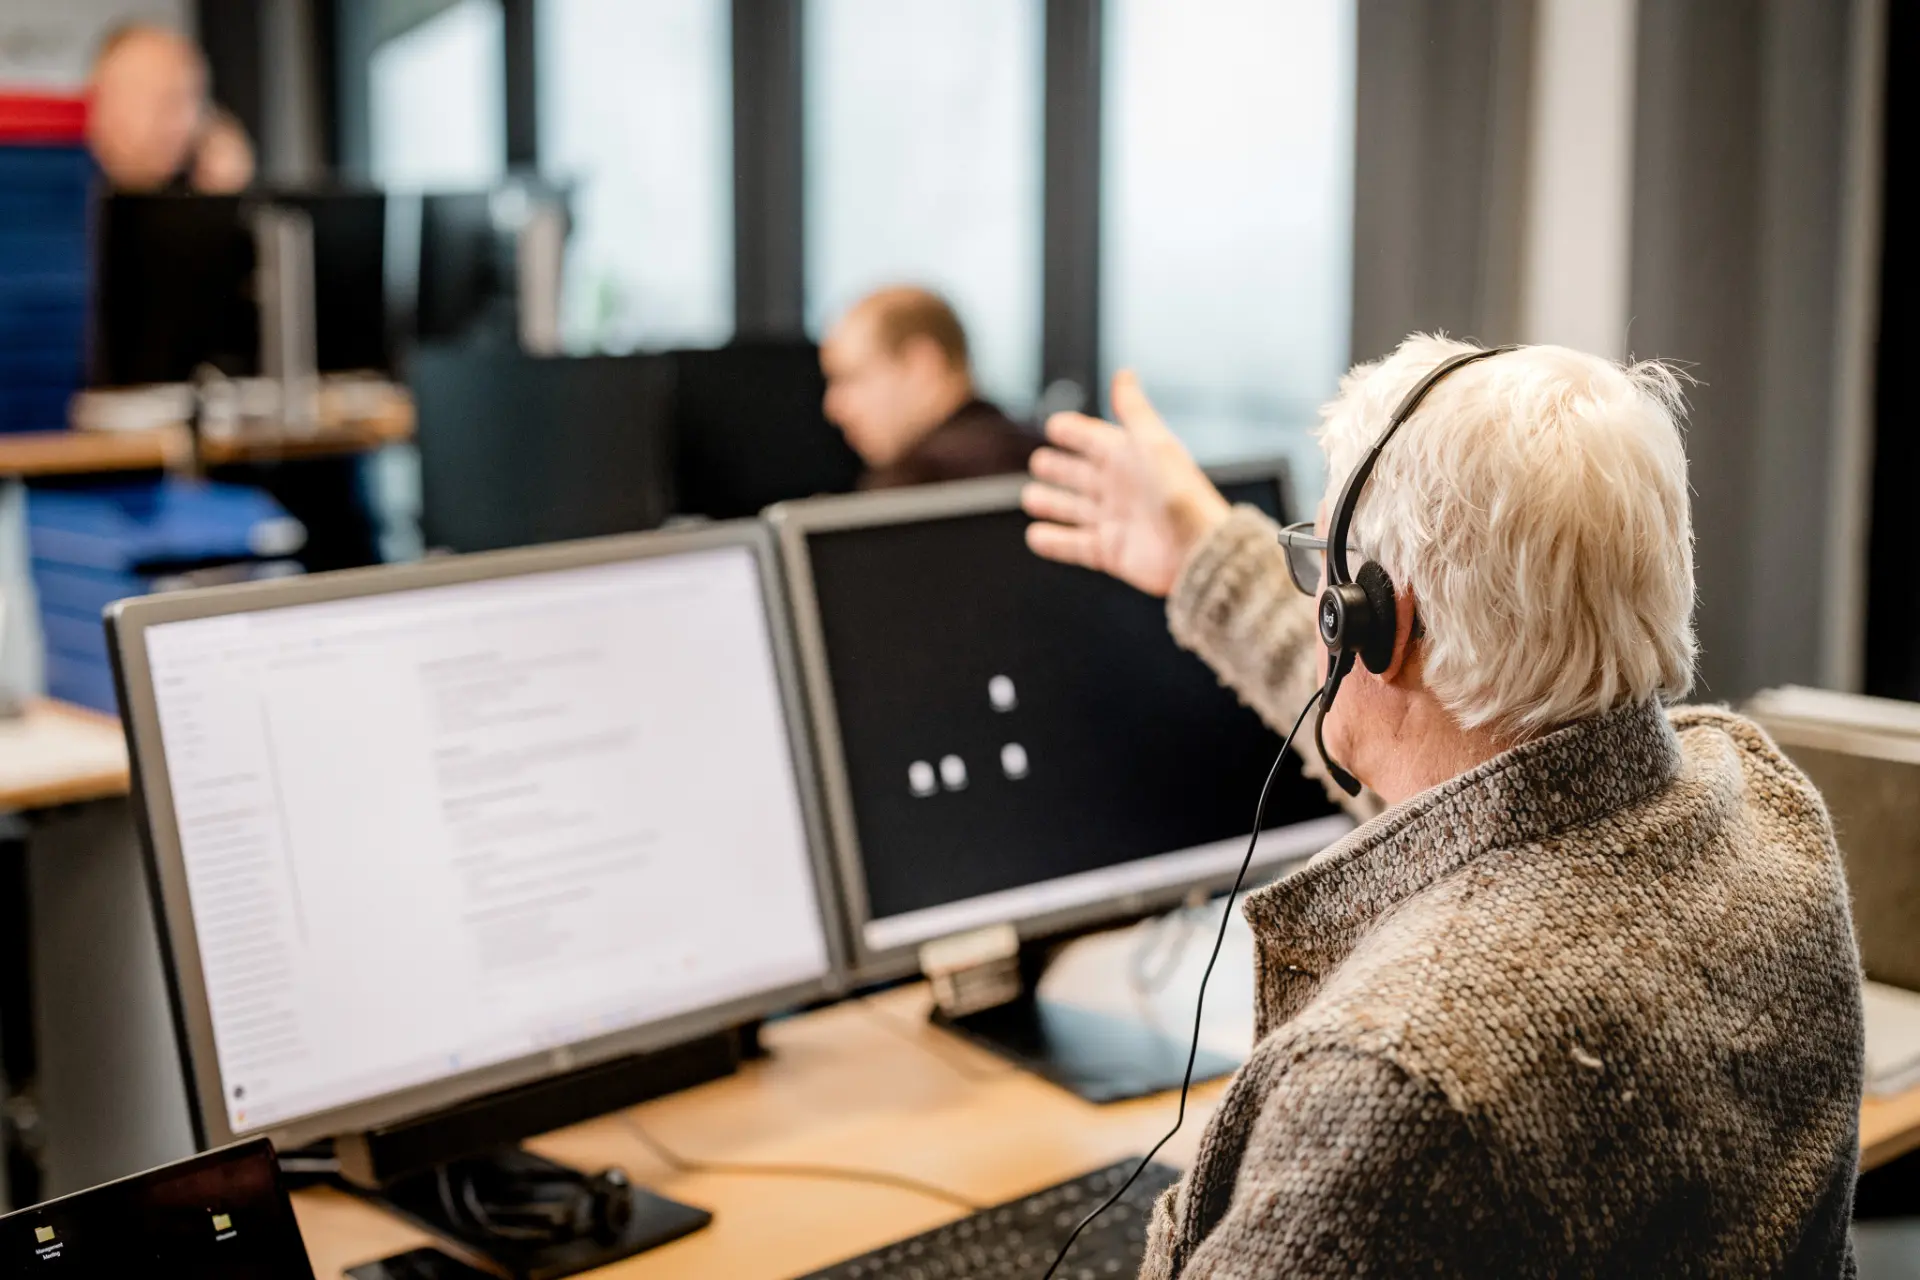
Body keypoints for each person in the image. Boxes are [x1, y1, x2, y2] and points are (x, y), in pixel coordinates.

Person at [1022, 336, 1863, 1277]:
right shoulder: (1760, 806)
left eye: (1322, 575)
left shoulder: (1394, 1081)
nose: (1319, 616)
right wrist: (1202, 556)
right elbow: (1444, 761)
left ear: (1374, 623)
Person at [820, 286, 1037, 488]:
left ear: (921, 365)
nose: (833, 408)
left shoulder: (913, 485)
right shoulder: (1037, 460)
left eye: (850, 379)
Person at [87, 23, 254, 193]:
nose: (179, 119)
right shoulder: (72, 184)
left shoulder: (199, 179)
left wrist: (226, 197)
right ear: (102, 101)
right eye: (158, 98)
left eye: (191, 98)